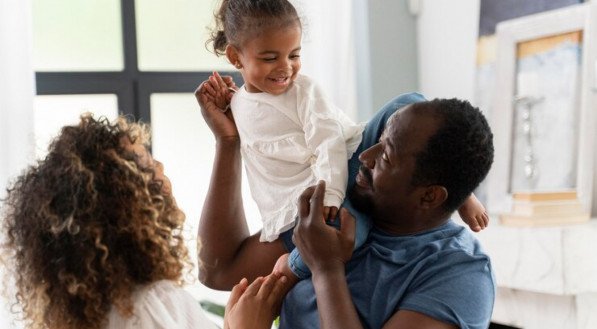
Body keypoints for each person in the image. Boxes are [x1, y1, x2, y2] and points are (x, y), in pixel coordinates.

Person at [201, 0, 489, 281]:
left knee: (410, 101)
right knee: (347, 234)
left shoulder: (304, 91)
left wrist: (331, 195)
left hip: (347, 162)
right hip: (302, 206)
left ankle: (460, 192)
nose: (285, 68)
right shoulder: (238, 105)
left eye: (294, 55)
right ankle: (296, 266)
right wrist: (227, 119)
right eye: (269, 58)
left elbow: (329, 143)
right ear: (236, 57)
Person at [196, 89, 496, 328]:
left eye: (387, 158)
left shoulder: (460, 275)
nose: (366, 156)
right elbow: (219, 271)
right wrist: (228, 142)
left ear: (430, 196)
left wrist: (326, 269)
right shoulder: (343, 207)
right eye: (378, 141)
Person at [0, 114, 286, 329]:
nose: (161, 167)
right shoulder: (147, 306)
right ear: (125, 205)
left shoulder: (106, 310)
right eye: (147, 166)